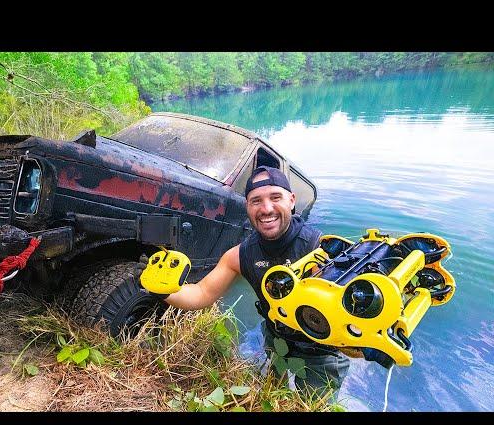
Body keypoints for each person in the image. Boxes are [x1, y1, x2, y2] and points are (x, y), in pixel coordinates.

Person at [142, 165, 350, 400]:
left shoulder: (320, 248)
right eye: (256, 201)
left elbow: (349, 317)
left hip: (321, 354)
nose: (266, 209)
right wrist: (164, 290)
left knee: (313, 404)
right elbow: (201, 293)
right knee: (272, 395)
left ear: (292, 201)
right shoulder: (240, 255)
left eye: (275, 197)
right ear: (247, 208)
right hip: (276, 339)